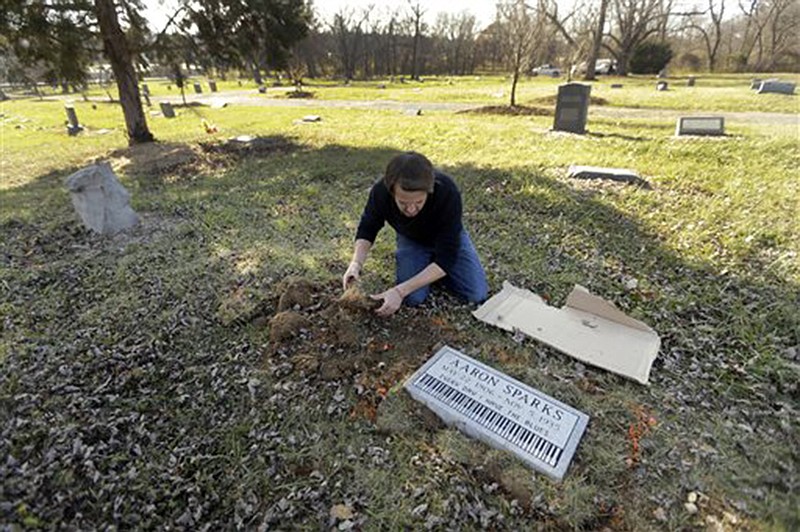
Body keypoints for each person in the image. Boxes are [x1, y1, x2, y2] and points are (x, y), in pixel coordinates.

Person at [342, 151, 488, 317]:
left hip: (447, 238)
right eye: (403, 203)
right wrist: (356, 264)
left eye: (418, 202)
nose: (411, 209)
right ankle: (431, 270)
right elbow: (368, 227)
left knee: (477, 295)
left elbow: (447, 256)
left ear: (429, 191)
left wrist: (398, 291)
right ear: (392, 191)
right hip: (411, 239)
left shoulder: (447, 192)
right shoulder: (380, 192)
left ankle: (435, 270)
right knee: (413, 298)